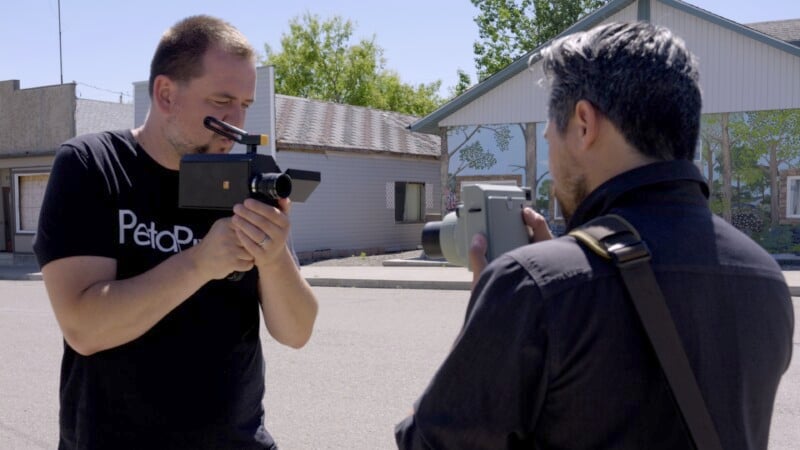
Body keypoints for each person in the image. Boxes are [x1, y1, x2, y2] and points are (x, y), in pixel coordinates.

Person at [396, 21, 794, 449]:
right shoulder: (765, 279)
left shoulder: (531, 288)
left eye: (551, 135)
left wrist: (494, 313)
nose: (551, 157)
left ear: (583, 123)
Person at [33, 15, 318, 450]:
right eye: (222, 101)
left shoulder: (246, 178)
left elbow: (297, 332)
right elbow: (84, 328)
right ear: (166, 93)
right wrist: (200, 262)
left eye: (245, 102)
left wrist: (273, 253)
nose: (237, 121)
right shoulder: (92, 166)